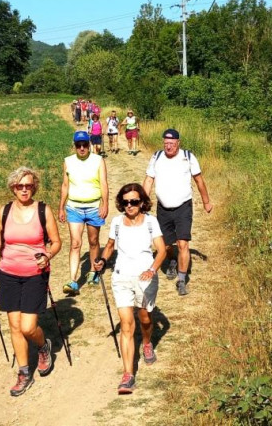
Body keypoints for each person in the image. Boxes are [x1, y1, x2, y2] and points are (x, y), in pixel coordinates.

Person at [0, 167, 62, 397]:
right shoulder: (4, 211)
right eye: (20, 186)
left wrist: (47, 256)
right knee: (14, 326)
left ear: (34, 187)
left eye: (29, 185)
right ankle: (24, 373)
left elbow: (56, 242)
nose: (24, 189)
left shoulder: (43, 210)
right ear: (13, 187)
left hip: (35, 272)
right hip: (8, 273)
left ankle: (43, 346)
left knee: (28, 327)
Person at [93, 183, 166, 394]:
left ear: (142, 202)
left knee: (144, 318)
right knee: (126, 325)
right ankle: (128, 375)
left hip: (145, 278)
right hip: (121, 277)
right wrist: (102, 261)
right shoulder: (116, 222)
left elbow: (161, 250)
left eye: (134, 202)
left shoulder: (151, 222)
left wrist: (152, 270)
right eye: (125, 202)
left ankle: (146, 342)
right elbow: (108, 247)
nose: (130, 206)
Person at [142, 128, 212, 296]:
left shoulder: (187, 157)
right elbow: (149, 180)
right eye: (166, 143)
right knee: (165, 245)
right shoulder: (156, 157)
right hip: (163, 208)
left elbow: (199, 180)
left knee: (183, 243)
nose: (168, 146)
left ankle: (181, 279)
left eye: (172, 143)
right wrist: (142, 203)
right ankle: (172, 260)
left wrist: (206, 201)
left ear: (178, 143)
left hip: (183, 207)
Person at [58, 131, 109, 295]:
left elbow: (103, 183)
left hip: (94, 207)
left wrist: (105, 204)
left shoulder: (98, 160)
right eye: (78, 145)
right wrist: (61, 207)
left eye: (84, 145)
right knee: (75, 243)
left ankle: (93, 272)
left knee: (93, 241)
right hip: (74, 208)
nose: (81, 148)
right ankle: (73, 281)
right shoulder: (68, 162)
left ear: (89, 145)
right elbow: (65, 185)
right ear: (74, 145)